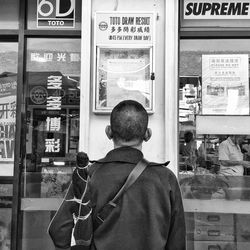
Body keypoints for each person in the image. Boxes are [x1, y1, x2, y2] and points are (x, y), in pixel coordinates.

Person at [88, 100, 186, 250]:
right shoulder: (166, 178)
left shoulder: (90, 174)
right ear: (147, 134)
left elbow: (61, 229)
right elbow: (177, 240)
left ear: (108, 132)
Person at [216, 135, 250, 199]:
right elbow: (224, 162)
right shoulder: (224, 144)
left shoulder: (236, 145)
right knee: (232, 201)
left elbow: (236, 160)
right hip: (230, 177)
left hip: (236, 178)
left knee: (235, 201)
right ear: (235, 135)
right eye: (242, 138)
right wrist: (241, 163)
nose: (243, 140)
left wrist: (244, 163)